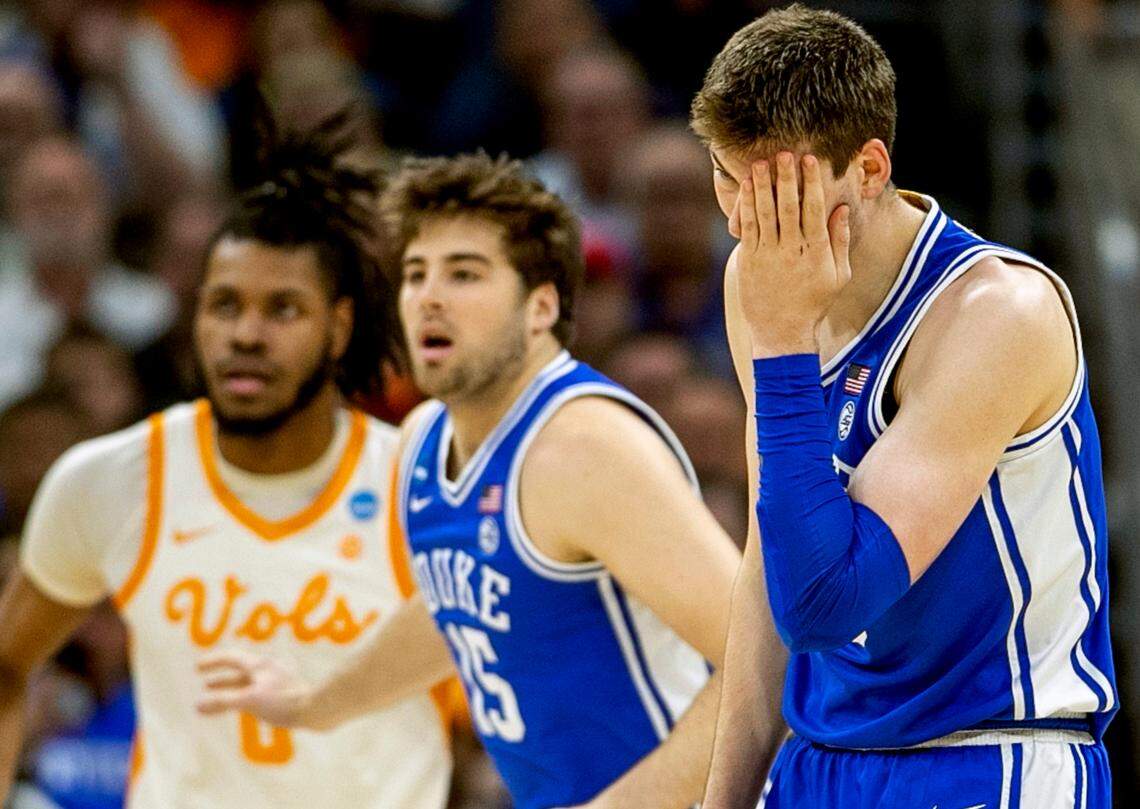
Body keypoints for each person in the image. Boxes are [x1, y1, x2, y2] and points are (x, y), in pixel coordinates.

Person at [194, 153, 743, 809]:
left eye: (464, 273)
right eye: (416, 274)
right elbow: (455, 606)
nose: (429, 296)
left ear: (539, 307)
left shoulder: (583, 448)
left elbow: (761, 660)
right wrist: (316, 700)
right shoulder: (426, 437)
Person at [691, 6, 1115, 807]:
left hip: (984, 759)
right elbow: (768, 566)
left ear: (870, 167)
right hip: (818, 759)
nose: (747, 220)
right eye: (724, 176)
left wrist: (784, 341)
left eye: (780, 189)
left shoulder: (997, 315)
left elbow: (826, 602)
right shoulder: (754, 281)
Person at [0, 113, 454, 809]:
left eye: (282, 309)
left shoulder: (420, 484)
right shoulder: (112, 480)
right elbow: (7, 664)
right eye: (224, 305)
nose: (245, 333)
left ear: (338, 327)